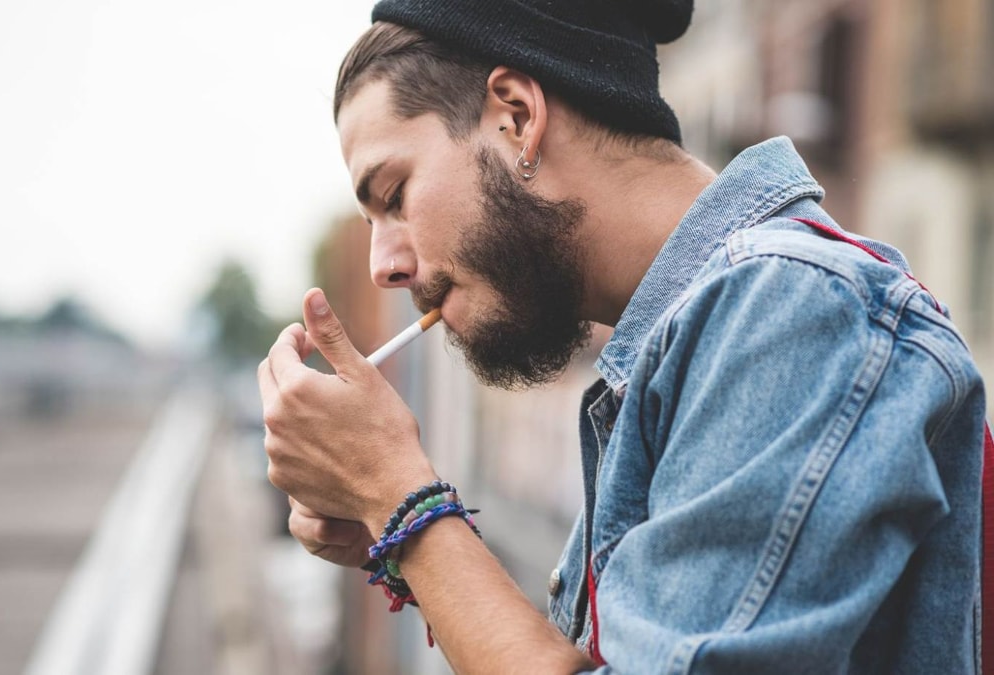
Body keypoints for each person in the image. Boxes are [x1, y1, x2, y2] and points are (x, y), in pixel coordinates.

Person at [256, 1, 990, 672]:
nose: (385, 264)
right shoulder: (685, 346)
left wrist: (397, 497)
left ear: (515, 115)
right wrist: (404, 544)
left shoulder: (791, 309)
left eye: (393, 195)